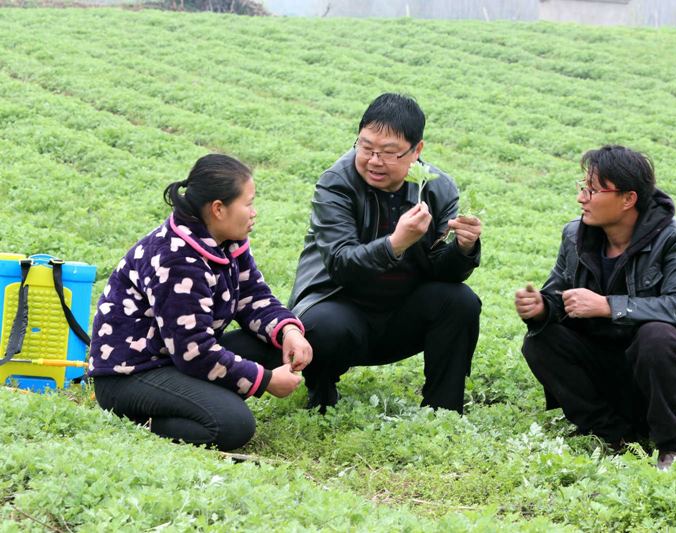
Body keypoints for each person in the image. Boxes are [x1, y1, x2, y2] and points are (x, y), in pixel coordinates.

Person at [515, 145, 676, 469]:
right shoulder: (575, 235)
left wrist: (609, 306)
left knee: (656, 337)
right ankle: (614, 434)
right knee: (540, 340)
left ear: (628, 199)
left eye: (592, 190)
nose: (581, 198)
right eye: (582, 188)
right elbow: (558, 296)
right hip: (614, 374)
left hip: (669, 378)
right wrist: (541, 308)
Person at [89, 154, 312, 451]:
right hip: (132, 375)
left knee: (275, 343)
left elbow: (252, 296)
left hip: (176, 358)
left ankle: (200, 397)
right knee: (233, 425)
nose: (254, 212)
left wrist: (289, 332)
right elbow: (194, 352)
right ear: (218, 209)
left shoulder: (226, 242)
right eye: (248, 203)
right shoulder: (175, 259)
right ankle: (144, 419)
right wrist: (265, 380)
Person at [288, 93, 483, 414]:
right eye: (366, 148)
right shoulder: (336, 183)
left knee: (460, 301)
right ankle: (321, 393)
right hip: (339, 303)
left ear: (417, 151)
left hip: (399, 314)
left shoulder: (437, 187)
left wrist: (464, 249)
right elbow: (340, 265)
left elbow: (442, 272)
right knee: (323, 327)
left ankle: (443, 410)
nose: (374, 160)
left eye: (389, 152)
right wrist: (396, 243)